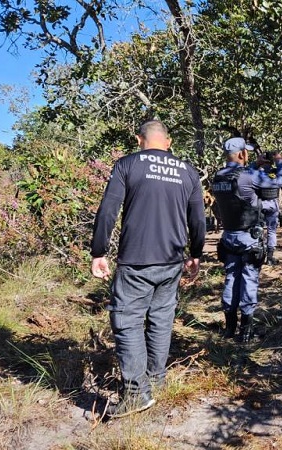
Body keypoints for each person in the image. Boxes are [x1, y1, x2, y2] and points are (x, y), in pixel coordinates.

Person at [89, 120, 206, 418]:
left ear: (140, 139)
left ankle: (136, 393)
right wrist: (196, 254)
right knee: (161, 319)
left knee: (127, 321)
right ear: (168, 142)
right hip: (171, 261)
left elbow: (108, 210)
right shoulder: (188, 171)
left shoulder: (127, 165)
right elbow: (198, 218)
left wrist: (98, 251)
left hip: (136, 260)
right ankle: (155, 381)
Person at [212, 137, 282, 342]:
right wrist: (279, 162)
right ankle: (246, 332)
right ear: (241, 154)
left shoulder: (218, 176)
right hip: (249, 238)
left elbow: (239, 181)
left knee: (231, 278)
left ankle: (229, 329)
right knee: (249, 280)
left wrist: (255, 165)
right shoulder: (249, 176)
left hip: (228, 236)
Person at [254, 150, 282, 265]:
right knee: (272, 230)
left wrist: (256, 164)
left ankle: (257, 254)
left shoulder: (256, 174)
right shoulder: (276, 173)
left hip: (259, 204)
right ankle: (270, 257)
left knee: (257, 230)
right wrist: (279, 161)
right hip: (272, 205)